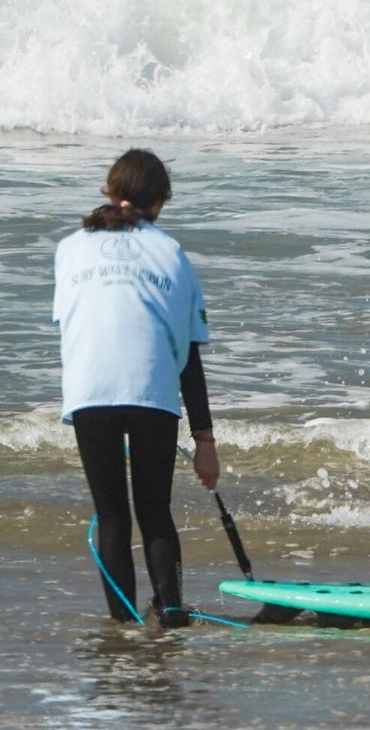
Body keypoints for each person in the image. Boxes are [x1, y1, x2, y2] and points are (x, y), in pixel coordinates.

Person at [53, 149, 221, 627]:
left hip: (89, 389)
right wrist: (204, 442)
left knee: (111, 516)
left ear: (111, 192)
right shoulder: (171, 252)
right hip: (152, 390)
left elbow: (73, 324)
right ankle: (171, 613)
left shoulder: (70, 248)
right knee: (154, 510)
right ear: (160, 202)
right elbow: (189, 361)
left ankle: (123, 629)